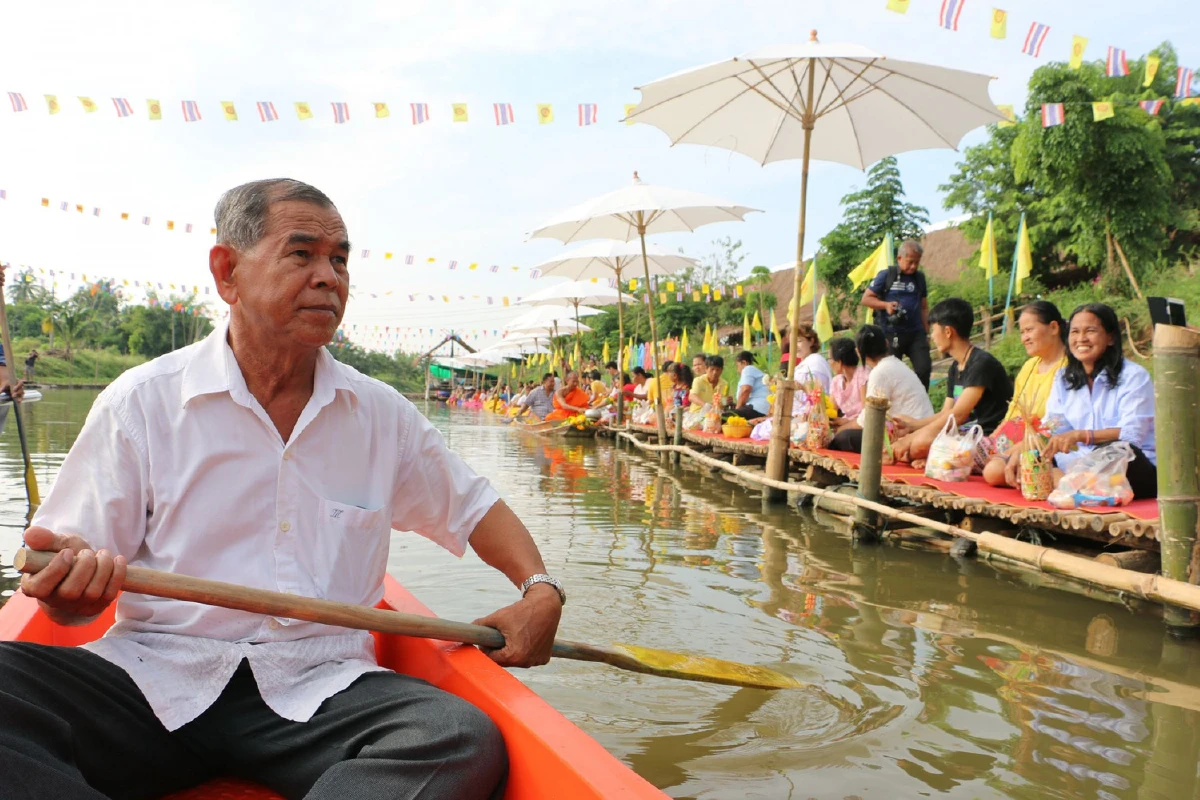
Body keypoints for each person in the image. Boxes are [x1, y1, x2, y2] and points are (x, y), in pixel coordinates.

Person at [2, 179, 563, 800]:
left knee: (456, 737)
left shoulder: (380, 414)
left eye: (340, 259)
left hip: (321, 686)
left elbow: (476, 509)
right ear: (227, 271)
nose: (329, 277)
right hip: (153, 675)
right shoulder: (142, 403)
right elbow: (63, 604)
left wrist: (538, 589)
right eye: (302, 254)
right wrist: (73, 595)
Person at [1005, 303, 1156, 498]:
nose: (1081, 339)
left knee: (1118, 450)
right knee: (1028, 458)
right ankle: (1074, 484)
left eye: (1090, 331)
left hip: (1129, 469)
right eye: (1075, 332)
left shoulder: (1134, 376)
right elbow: (1053, 424)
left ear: (1110, 337)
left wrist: (1081, 436)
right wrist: (1025, 447)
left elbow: (1132, 435)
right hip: (1082, 464)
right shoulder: (1063, 378)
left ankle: (1069, 483)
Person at [892, 298, 1012, 466]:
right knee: (916, 440)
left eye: (933, 330)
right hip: (961, 434)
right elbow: (946, 412)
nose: (932, 336)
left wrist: (912, 439)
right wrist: (913, 426)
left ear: (948, 331)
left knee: (919, 443)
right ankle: (930, 457)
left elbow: (958, 415)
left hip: (986, 438)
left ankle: (928, 456)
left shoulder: (981, 363)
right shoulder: (956, 367)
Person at [982, 301, 1069, 486]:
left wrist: (1020, 448)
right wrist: (989, 443)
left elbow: (1059, 424)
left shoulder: (1070, 368)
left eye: (1029, 330)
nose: (1024, 338)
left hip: (1048, 445)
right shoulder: (1029, 366)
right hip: (1017, 441)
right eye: (1022, 332)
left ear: (1053, 327)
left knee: (993, 472)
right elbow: (1013, 412)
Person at [829, 325, 933, 453]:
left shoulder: (880, 372)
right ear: (886, 343)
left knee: (843, 438)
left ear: (858, 352)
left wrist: (842, 429)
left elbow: (868, 418)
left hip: (911, 432)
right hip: (919, 428)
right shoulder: (894, 364)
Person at [860, 239, 931, 389]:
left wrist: (926, 332)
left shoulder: (919, 278)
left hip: (916, 333)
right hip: (891, 334)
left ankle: (921, 404)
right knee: (891, 374)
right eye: (910, 262)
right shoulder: (886, 276)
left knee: (924, 369)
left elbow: (924, 307)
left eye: (917, 263)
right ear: (899, 258)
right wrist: (885, 305)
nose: (913, 266)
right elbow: (866, 299)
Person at [827, 337, 869, 421]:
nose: (829, 363)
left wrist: (846, 422)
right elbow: (831, 410)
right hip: (846, 423)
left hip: (862, 424)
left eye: (829, 359)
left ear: (839, 362)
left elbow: (867, 413)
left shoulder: (862, 374)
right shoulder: (836, 382)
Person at [791, 324, 832, 392]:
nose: (795, 346)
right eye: (792, 342)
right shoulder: (801, 365)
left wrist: (802, 387)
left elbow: (818, 392)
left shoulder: (816, 362)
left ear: (811, 341)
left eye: (799, 341)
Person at [732, 350, 770, 421]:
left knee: (723, 417)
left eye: (738, 366)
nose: (738, 370)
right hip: (763, 409)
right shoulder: (760, 372)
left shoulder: (748, 368)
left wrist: (736, 412)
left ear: (744, 363)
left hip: (756, 408)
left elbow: (745, 390)